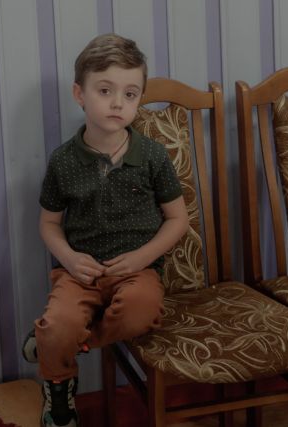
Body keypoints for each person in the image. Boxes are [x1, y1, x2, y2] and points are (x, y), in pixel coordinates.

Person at [22, 33, 188, 427]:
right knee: (59, 323)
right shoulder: (63, 161)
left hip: (136, 272)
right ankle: (59, 400)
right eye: (105, 90)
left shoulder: (151, 156)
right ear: (79, 94)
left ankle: (51, 347)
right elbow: (48, 223)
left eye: (130, 94)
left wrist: (143, 257)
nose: (118, 102)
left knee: (141, 312)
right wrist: (68, 257)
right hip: (79, 273)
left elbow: (178, 218)